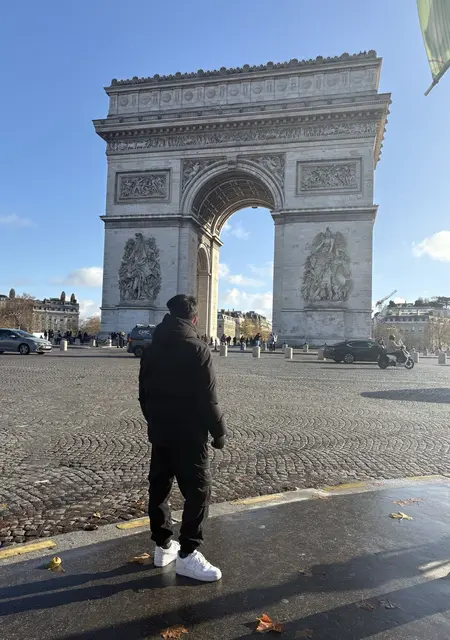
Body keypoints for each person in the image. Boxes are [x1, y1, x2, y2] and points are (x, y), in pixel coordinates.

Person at [139, 294, 226, 582]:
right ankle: (188, 553)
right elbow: (208, 399)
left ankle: (163, 546)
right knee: (198, 492)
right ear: (194, 318)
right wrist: (219, 432)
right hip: (190, 435)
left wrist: (155, 421)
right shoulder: (198, 349)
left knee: (159, 488)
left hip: (160, 432)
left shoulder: (151, 348)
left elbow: (143, 394)